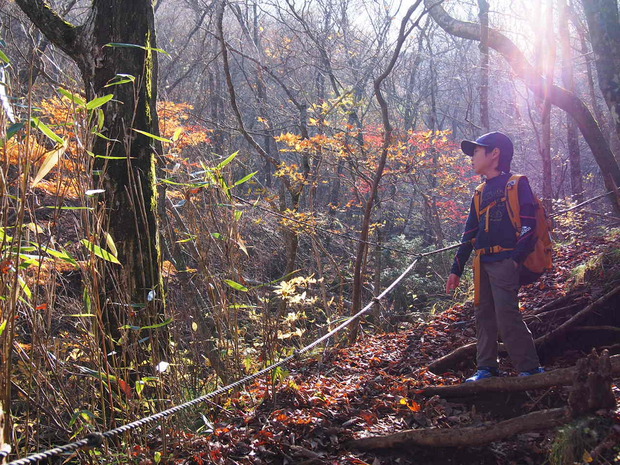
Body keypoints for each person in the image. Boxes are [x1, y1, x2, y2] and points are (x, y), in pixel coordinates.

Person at [446, 131, 544, 382]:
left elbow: (529, 225)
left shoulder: (517, 183)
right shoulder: (479, 192)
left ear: (495, 154)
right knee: (484, 315)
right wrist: (456, 269)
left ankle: (530, 369)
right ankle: (487, 368)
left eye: (477, 151)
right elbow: (470, 232)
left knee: (506, 313)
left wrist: (515, 260)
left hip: (505, 261)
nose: (472, 157)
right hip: (482, 263)